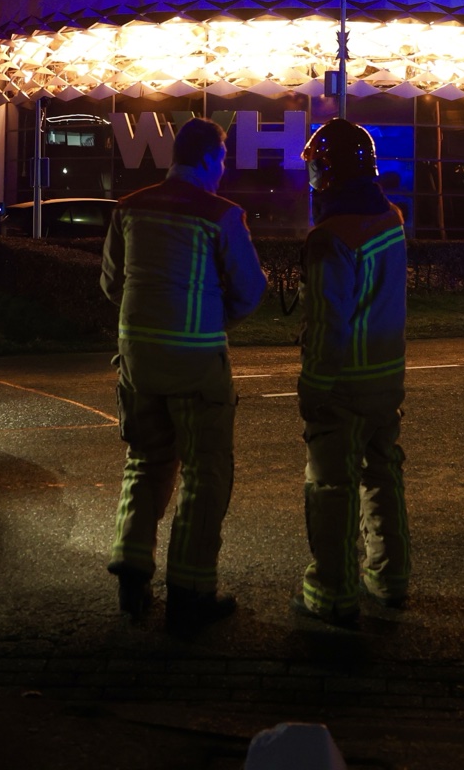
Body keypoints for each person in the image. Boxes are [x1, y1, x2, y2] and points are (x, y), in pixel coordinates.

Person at [101, 116, 268, 632]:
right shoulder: (221, 215)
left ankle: (132, 567)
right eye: (223, 160)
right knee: (205, 472)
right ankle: (190, 592)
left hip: (137, 361)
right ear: (211, 158)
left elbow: (111, 283)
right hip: (196, 365)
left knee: (145, 461)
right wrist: (216, 318)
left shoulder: (129, 209)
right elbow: (250, 289)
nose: (223, 170)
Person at [293, 118, 411, 628]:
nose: (314, 179)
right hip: (387, 379)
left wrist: (312, 387)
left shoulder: (330, 237)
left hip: (342, 386)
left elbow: (326, 325)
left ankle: (332, 591)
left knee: (331, 488)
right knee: (382, 478)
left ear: (329, 172)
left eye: (317, 169)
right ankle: (390, 579)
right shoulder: (391, 220)